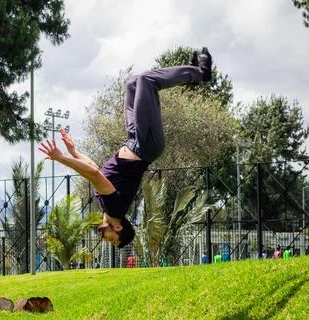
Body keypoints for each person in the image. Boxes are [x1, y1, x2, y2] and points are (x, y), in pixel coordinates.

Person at [38, 48, 213, 248]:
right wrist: (61, 159)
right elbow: (94, 174)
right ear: (118, 228)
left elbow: (97, 168)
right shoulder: (116, 208)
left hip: (134, 140)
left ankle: (189, 71)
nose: (105, 238)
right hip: (145, 146)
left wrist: (73, 152)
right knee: (147, 80)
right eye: (111, 239)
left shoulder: (107, 206)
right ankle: (200, 74)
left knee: (131, 84)